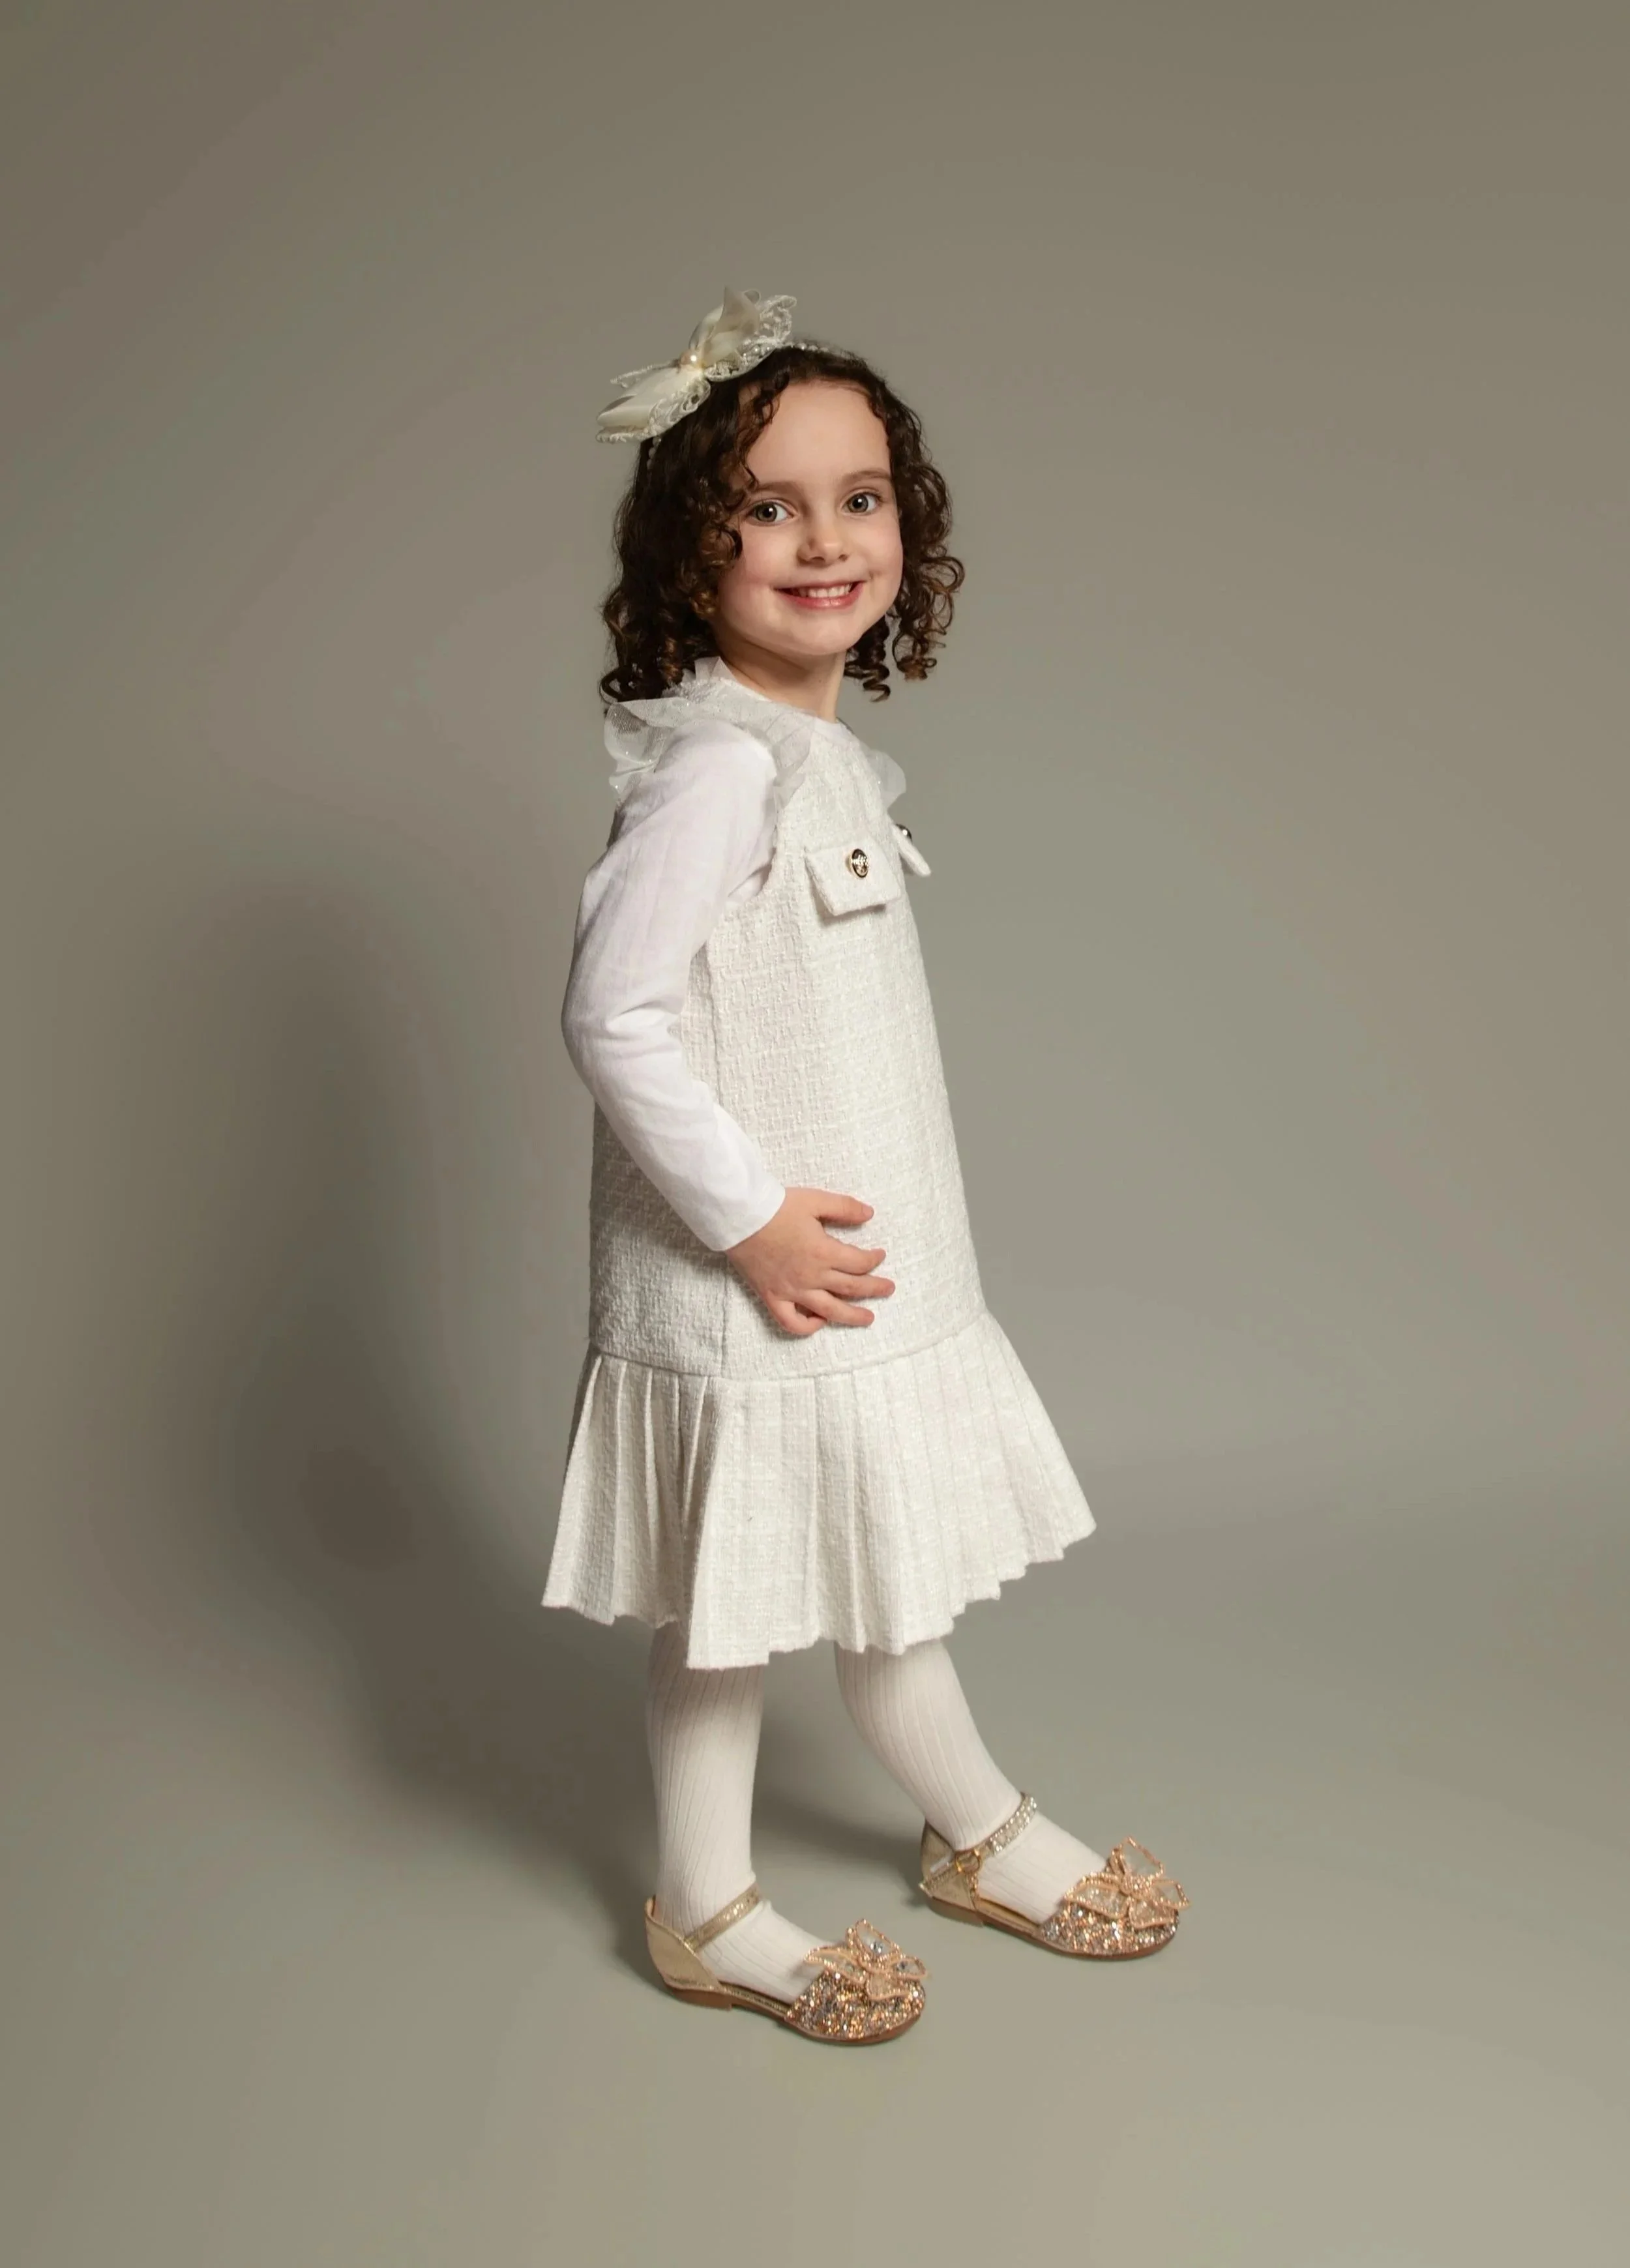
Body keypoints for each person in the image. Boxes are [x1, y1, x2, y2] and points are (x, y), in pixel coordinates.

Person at [544, 289, 1188, 2042]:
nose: (822, 538)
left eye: (860, 495)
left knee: (800, 1579)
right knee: (743, 1592)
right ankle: (812, 1869)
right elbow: (614, 1014)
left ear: (911, 522)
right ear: (690, 546)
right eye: (763, 504)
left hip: (848, 1280)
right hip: (753, 1281)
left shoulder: (803, 751)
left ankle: (858, 1853)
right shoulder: (712, 775)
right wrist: (746, 1219)